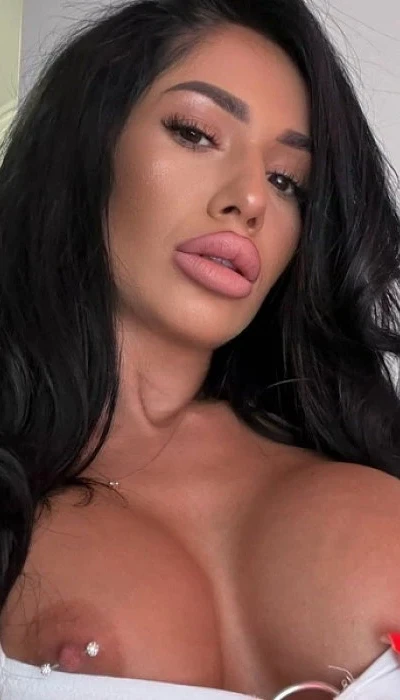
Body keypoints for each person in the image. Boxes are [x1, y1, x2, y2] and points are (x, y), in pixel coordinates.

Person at [0, 0, 400, 697]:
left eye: (287, 181)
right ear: (86, 146)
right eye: (195, 132)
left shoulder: (363, 469)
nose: (251, 199)